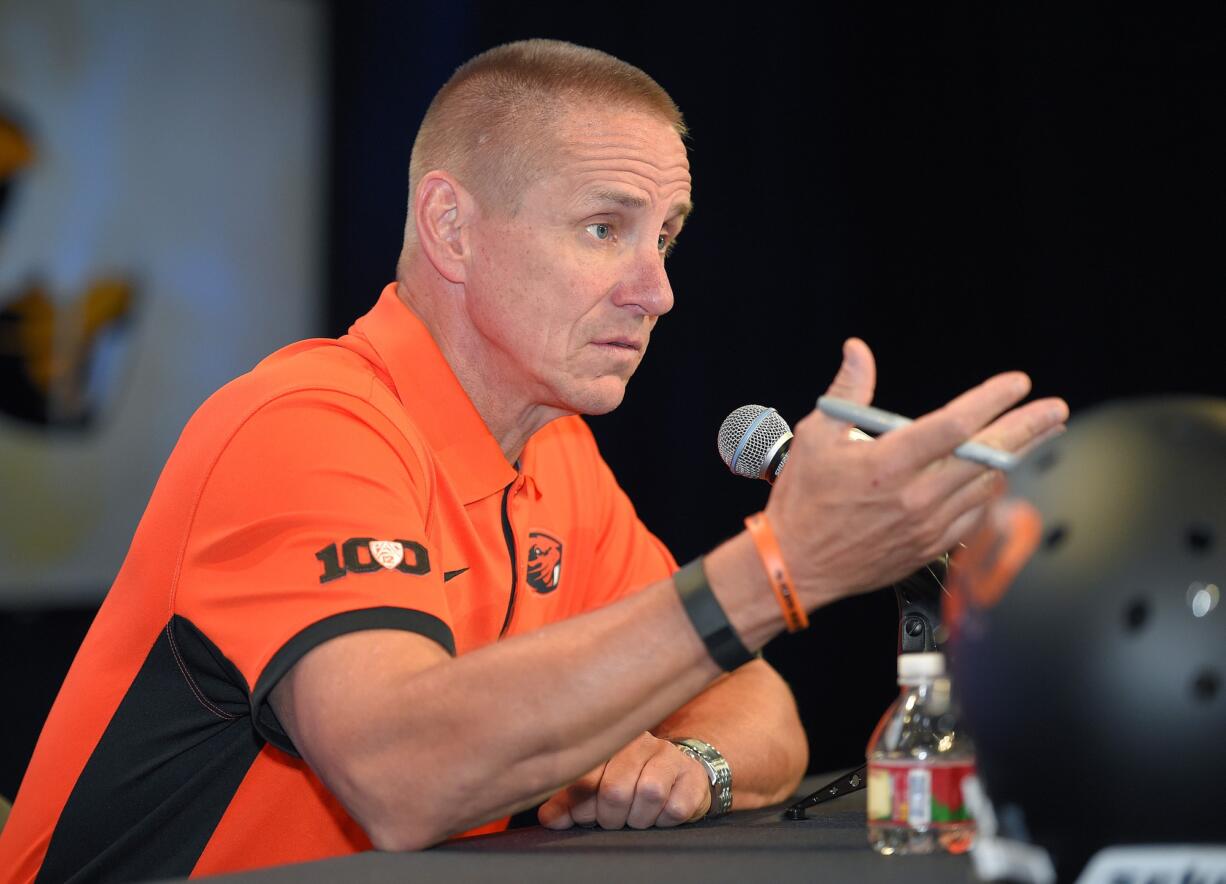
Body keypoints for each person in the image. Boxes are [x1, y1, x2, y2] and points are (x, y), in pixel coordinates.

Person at [0, 39, 1068, 882]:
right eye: (605, 228)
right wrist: (781, 563)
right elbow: (399, 772)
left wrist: (686, 764)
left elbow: (759, 714)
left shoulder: (555, 456)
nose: (657, 291)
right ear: (451, 229)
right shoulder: (305, 421)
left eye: (667, 236)